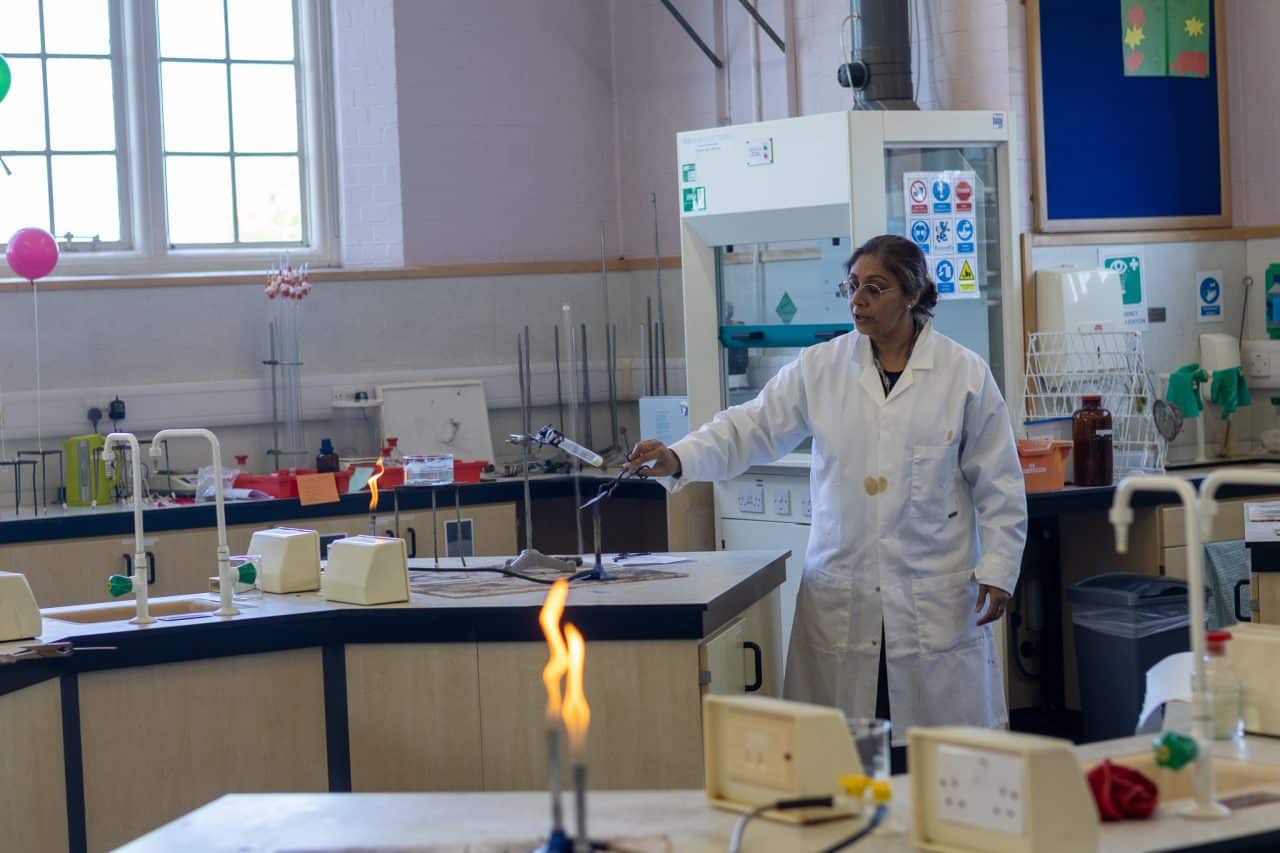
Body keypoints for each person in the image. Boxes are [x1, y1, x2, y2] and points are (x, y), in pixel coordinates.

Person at [627, 234, 1027, 770]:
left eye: (876, 288)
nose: (858, 300)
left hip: (932, 595)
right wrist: (679, 456)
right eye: (853, 286)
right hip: (844, 591)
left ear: (912, 295)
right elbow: (750, 427)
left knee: (934, 763)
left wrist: (999, 569)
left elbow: (999, 482)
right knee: (845, 757)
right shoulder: (820, 368)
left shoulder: (964, 374)